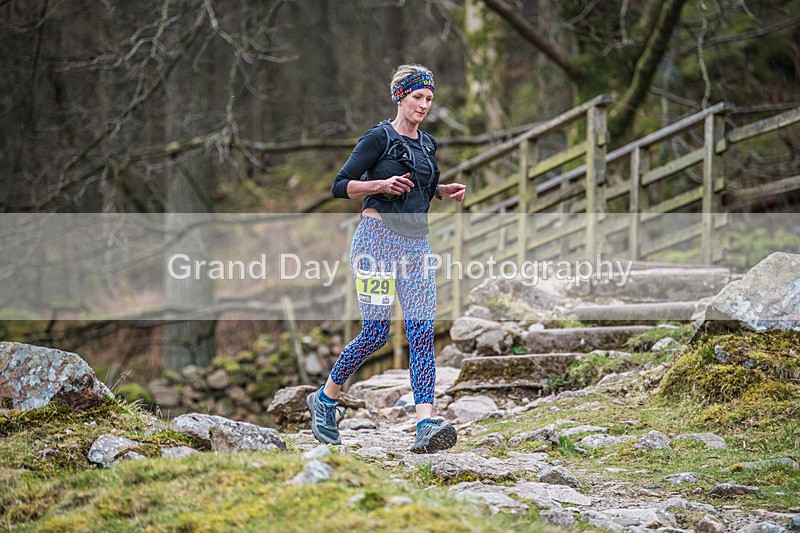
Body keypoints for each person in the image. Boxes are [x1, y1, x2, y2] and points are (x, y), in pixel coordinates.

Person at [307, 64, 466, 453]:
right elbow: (339, 186)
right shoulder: (378, 138)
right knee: (377, 332)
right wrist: (379, 184)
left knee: (421, 330)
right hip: (375, 243)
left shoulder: (427, 144)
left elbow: (420, 185)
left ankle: (425, 423)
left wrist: (441, 190)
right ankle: (325, 399)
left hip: (416, 247)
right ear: (399, 97)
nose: (424, 105)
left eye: (429, 99)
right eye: (417, 97)